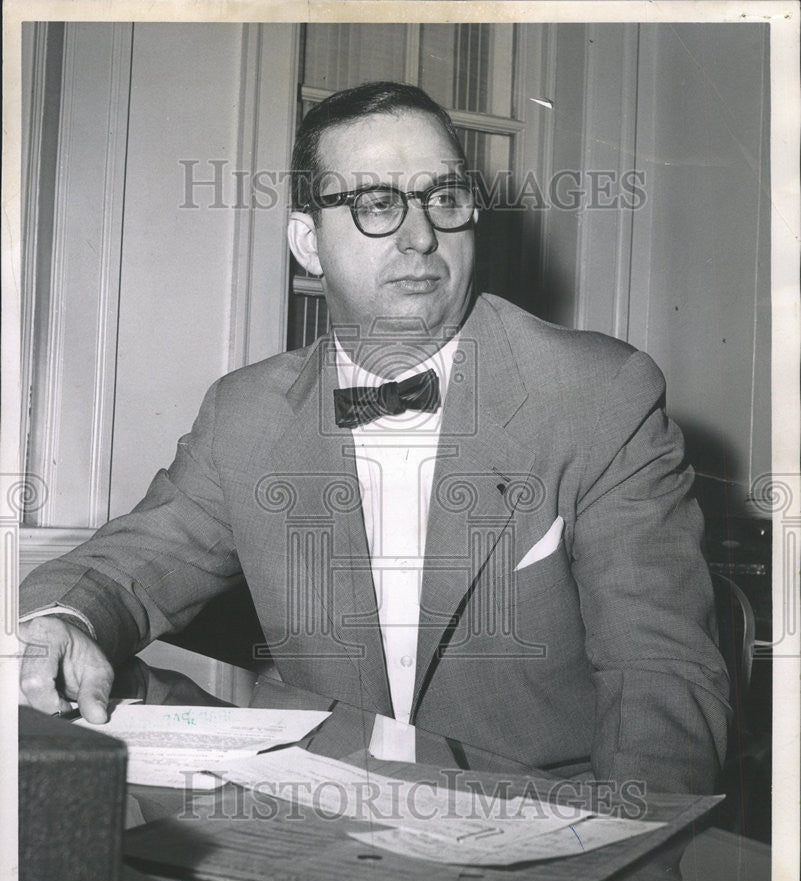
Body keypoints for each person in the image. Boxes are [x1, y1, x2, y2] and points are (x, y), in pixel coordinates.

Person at [19, 81, 729, 797]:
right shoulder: (245, 415)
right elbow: (131, 566)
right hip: (316, 812)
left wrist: (625, 860)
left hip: (541, 823)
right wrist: (64, 622)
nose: (421, 236)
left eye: (443, 196)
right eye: (376, 203)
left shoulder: (597, 395)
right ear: (308, 243)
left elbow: (659, 677)